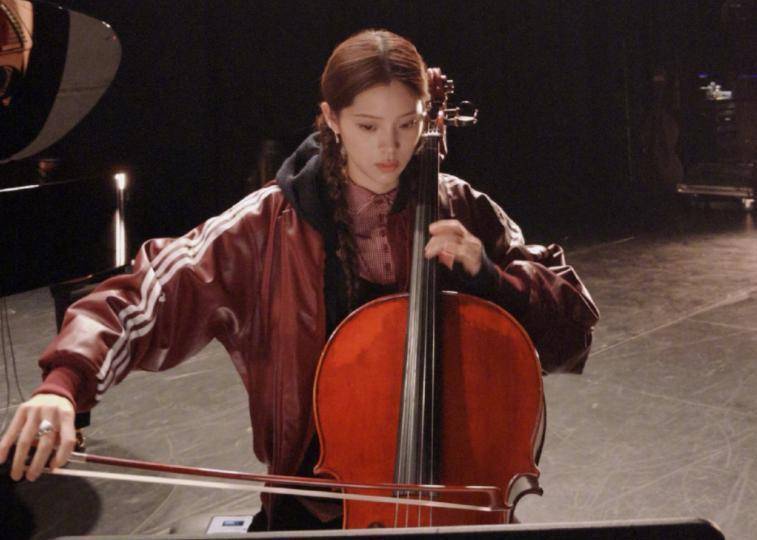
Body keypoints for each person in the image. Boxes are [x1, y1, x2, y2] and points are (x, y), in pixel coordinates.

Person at [0, 29, 599, 531]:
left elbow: (573, 330)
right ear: (332, 119)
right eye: (368, 126)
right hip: (315, 510)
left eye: (407, 125)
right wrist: (64, 382)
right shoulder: (268, 223)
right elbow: (147, 293)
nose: (391, 149)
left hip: (457, 501)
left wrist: (492, 280)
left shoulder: (458, 206)